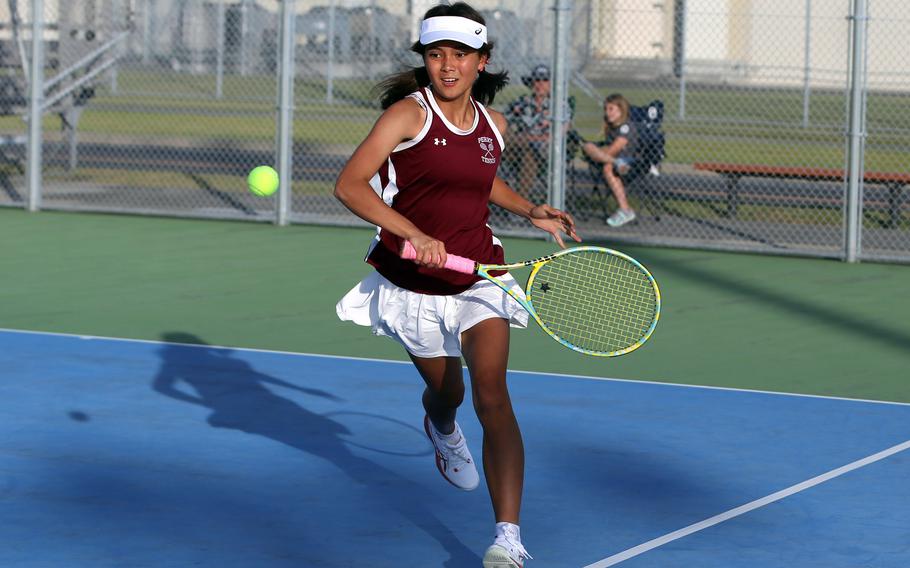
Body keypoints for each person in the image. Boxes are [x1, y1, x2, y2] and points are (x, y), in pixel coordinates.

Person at [332, 3, 580, 566]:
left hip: (480, 275)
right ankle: (441, 425)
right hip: (412, 284)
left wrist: (530, 209)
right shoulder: (406, 116)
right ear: (425, 60)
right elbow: (350, 185)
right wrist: (411, 232)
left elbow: (482, 182)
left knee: (493, 395)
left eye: (460, 55)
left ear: (481, 61)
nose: (447, 66)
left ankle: (508, 539)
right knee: (451, 394)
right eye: (436, 54)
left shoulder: (494, 125)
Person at [503, 64, 575, 198]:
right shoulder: (521, 103)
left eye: (544, 80)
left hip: (544, 151)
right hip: (514, 149)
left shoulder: (560, 105)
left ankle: (518, 205)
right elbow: (501, 122)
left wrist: (530, 139)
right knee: (502, 136)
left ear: (551, 84)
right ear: (531, 83)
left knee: (529, 155)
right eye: (537, 80)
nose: (540, 84)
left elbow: (560, 133)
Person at [581, 93, 639, 227]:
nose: (607, 113)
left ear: (621, 110)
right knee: (587, 145)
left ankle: (625, 210)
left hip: (630, 162)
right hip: (616, 161)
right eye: (606, 109)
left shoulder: (626, 127)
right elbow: (609, 151)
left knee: (606, 165)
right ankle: (614, 162)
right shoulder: (611, 126)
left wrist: (597, 154)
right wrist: (597, 152)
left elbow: (613, 149)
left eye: (611, 109)